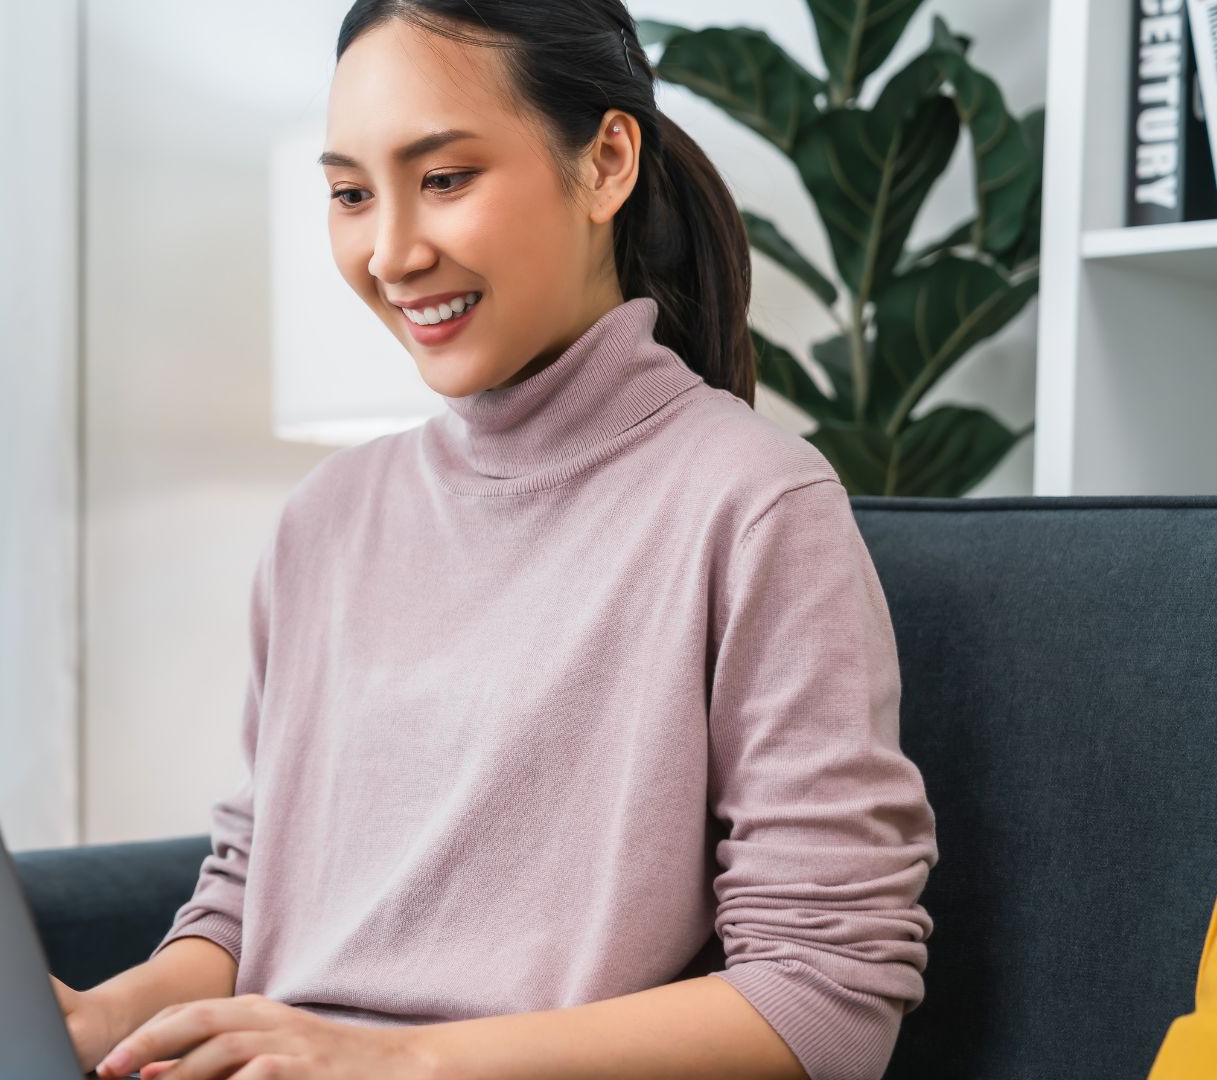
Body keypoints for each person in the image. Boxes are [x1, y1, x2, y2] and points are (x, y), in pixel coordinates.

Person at [56, 2, 937, 1078]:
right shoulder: (324, 521)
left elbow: (827, 998)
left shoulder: (754, 506)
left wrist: (391, 1064)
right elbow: (250, 897)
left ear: (608, 162)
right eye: (349, 195)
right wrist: (109, 1019)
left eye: (444, 179)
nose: (390, 251)